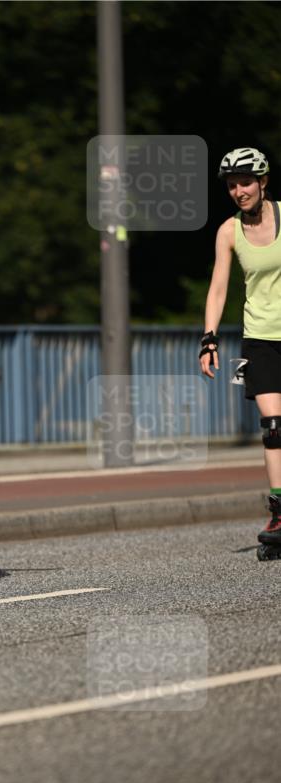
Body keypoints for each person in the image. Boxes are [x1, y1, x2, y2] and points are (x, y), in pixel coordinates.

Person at [201, 146, 281, 560]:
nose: (239, 191)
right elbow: (218, 287)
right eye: (232, 185)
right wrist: (209, 338)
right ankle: (280, 511)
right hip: (261, 339)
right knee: (273, 427)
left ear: (263, 181)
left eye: (246, 182)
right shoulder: (228, 231)